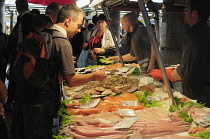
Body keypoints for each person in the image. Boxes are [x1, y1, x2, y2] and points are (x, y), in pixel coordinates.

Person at [13, 4, 107, 139]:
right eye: (78, 25)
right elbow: (71, 81)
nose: (79, 30)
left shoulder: (46, 33)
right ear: (68, 21)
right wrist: (95, 75)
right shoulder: (62, 41)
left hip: (23, 97)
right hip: (40, 103)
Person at [149, 0, 210, 107]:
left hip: (202, 94)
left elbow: (184, 73)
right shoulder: (204, 31)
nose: (184, 12)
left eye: (187, 9)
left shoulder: (195, 36)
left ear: (194, 13)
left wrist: (161, 73)